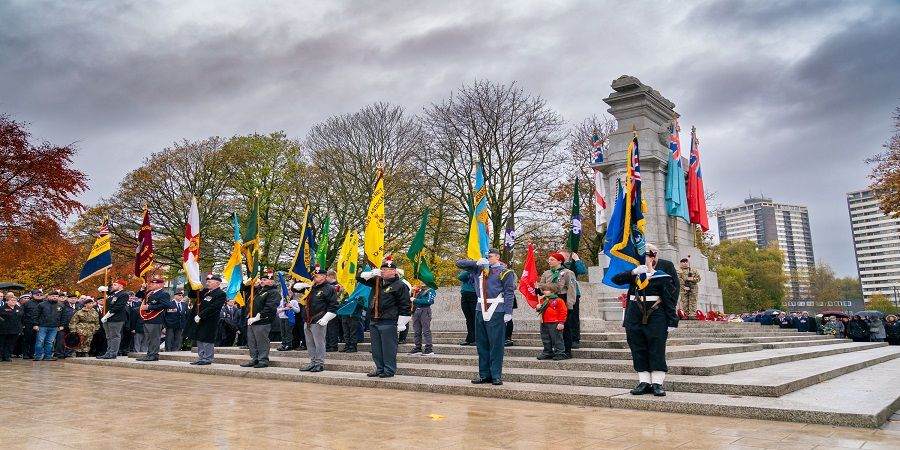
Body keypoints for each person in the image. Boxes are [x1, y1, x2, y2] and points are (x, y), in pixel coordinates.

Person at [611, 243, 679, 397]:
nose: (643, 259)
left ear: (653, 257)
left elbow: (669, 300)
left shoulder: (661, 276)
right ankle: (644, 382)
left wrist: (672, 320)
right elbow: (615, 279)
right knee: (638, 348)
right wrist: (633, 271)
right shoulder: (635, 275)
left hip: (656, 316)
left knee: (656, 348)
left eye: (647, 256)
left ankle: (657, 383)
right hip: (634, 317)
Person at [457, 248, 517, 386]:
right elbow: (459, 263)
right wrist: (476, 262)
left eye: (490, 256)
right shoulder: (479, 269)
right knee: (481, 344)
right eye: (486, 256)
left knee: (496, 344)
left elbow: (509, 292)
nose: (488, 258)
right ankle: (484, 374)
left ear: (497, 257)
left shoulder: (505, 272)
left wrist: (508, 312)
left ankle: (496, 375)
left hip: (496, 309)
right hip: (480, 309)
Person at [357, 256, 411, 378]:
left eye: (386, 269)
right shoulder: (377, 282)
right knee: (376, 349)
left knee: (388, 348)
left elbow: (405, 305)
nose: (383, 271)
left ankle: (389, 370)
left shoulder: (400, 286)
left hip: (389, 320)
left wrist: (402, 322)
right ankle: (379, 368)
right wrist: (371, 273)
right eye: (382, 269)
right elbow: (358, 277)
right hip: (374, 320)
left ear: (394, 271)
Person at [299, 267, 339, 372]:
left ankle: (319, 363)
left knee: (319, 343)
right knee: (310, 343)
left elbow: (333, 305)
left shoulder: (329, 288)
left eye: (317, 276)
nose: (314, 277)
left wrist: (326, 318)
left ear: (324, 276)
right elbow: (295, 289)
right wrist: (299, 286)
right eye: (314, 275)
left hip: (319, 318)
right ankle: (312, 362)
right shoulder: (311, 287)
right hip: (307, 319)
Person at [538, 252, 576, 358]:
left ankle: (566, 351)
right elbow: (541, 286)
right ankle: (549, 351)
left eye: (552, 259)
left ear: (560, 261)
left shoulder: (567, 272)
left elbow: (571, 289)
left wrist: (570, 304)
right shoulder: (547, 273)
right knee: (548, 328)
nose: (549, 261)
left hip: (562, 298)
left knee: (565, 326)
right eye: (549, 260)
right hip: (548, 299)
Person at [241, 270, 281, 369]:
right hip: (251, 320)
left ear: (271, 281)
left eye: (264, 279)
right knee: (252, 341)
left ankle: (263, 360)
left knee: (261, 341)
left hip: (262, 321)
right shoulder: (258, 290)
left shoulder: (273, 292)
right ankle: (254, 358)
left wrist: (259, 316)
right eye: (261, 279)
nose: (261, 281)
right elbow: (244, 289)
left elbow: (270, 307)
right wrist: (247, 283)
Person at [136, 277, 174, 362]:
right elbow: (138, 296)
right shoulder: (150, 293)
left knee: (154, 338)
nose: (151, 285)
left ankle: (153, 355)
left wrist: (149, 307)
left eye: (153, 284)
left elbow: (166, 305)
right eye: (151, 284)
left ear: (159, 285)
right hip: (147, 318)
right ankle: (149, 354)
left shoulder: (163, 294)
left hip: (156, 319)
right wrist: (142, 289)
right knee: (148, 338)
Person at [191, 274, 227, 365]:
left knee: (207, 339)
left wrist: (201, 315)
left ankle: (207, 358)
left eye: (210, 282)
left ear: (217, 283)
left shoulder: (220, 294)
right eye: (207, 282)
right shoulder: (206, 292)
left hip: (210, 320)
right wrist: (193, 285)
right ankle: (201, 357)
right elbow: (192, 295)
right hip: (200, 319)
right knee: (200, 338)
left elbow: (213, 307)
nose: (207, 283)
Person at [559, 249, 587, 348]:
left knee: (573, 317)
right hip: (560, 294)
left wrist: (577, 260)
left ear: (567, 256)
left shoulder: (573, 264)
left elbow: (582, 271)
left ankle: (575, 339)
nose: (559, 257)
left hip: (573, 293)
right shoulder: (558, 267)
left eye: (561, 256)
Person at [97, 279, 130, 359]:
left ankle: (113, 353)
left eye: (115, 284)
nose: (113, 286)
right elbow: (104, 290)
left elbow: (117, 307)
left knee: (115, 336)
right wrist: (103, 289)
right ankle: (108, 352)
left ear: (121, 286)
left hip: (116, 318)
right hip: (108, 318)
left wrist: (106, 316)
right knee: (108, 336)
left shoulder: (123, 294)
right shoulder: (112, 294)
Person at [535, 282, 567, 361]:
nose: (544, 291)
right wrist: (538, 307)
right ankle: (547, 352)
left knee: (556, 339)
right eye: (544, 290)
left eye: (547, 290)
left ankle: (560, 353)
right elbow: (541, 310)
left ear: (553, 291)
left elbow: (563, 311)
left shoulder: (559, 300)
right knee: (545, 338)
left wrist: (561, 322)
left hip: (555, 322)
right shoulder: (543, 300)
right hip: (544, 322)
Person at [31, 290, 64, 361]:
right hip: (42, 326)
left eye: (56, 296)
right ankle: (38, 356)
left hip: (54, 327)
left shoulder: (61, 305)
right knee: (40, 341)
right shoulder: (41, 305)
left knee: (49, 342)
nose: (55, 297)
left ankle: (48, 356)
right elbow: (35, 315)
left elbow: (63, 316)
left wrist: (62, 325)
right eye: (53, 296)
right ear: (48, 296)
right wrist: (35, 324)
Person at [409, 284, 436, 356]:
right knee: (417, 331)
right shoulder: (419, 290)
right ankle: (418, 347)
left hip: (425, 311)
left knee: (426, 330)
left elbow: (428, 301)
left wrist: (415, 300)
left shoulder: (431, 290)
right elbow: (410, 297)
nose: (422, 282)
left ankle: (429, 349)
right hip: (416, 311)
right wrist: (413, 292)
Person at [276, 286, 301, 352]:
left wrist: (291, 306)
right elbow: (278, 309)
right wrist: (283, 309)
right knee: (283, 332)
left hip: (289, 318)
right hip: (281, 317)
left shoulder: (293, 301)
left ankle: (289, 345)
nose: (288, 293)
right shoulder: (281, 301)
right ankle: (283, 344)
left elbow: (298, 310)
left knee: (288, 332)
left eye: (290, 292)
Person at [54, 294, 78, 359]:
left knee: (71, 340)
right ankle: (59, 354)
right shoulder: (63, 305)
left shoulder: (79, 306)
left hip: (74, 327)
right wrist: (61, 325)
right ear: (67, 299)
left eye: (75, 298)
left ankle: (68, 354)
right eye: (71, 298)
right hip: (63, 327)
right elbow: (59, 316)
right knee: (60, 341)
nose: (73, 299)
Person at [0, 294, 23, 361]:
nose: (13, 301)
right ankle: (0, 356)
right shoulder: (2, 308)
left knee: (10, 344)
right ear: (7, 301)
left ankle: (7, 356)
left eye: (15, 300)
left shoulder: (19, 308)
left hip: (15, 329)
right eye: (12, 300)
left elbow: (21, 318)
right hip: (3, 329)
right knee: (2, 343)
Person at [324, 269, 343, 352]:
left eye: (326, 276)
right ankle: (328, 344)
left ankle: (333, 345)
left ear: (330, 276)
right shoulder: (327, 286)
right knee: (327, 328)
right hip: (326, 309)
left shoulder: (337, 285)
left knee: (332, 328)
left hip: (333, 309)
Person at [457, 269, 477, 346]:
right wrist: (469, 269)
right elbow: (460, 277)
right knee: (468, 319)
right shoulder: (468, 270)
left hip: (474, 294)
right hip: (465, 295)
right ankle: (470, 338)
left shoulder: (478, 270)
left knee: (475, 318)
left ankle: (476, 339)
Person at [20, 290, 42, 359]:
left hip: (39, 324)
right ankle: (25, 354)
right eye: (36, 294)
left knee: (35, 340)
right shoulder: (27, 303)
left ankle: (32, 353)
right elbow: (22, 314)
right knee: (27, 339)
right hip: (28, 323)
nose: (38, 296)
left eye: (39, 294)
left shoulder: (43, 303)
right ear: (32, 295)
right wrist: (23, 324)